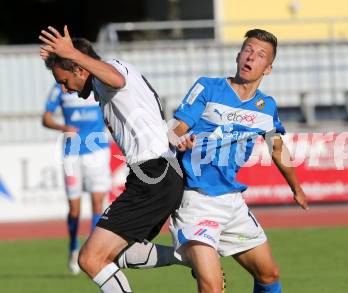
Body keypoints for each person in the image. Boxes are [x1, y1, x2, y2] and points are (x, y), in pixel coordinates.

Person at [118, 28, 309, 293]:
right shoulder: (208, 87)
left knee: (269, 274)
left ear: (268, 68)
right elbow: (176, 128)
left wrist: (296, 189)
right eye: (248, 50)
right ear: (238, 55)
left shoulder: (266, 107)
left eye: (260, 54)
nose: (251, 56)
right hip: (195, 201)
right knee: (212, 287)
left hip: (232, 202)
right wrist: (177, 139)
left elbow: (277, 149)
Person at [39, 26, 184, 292]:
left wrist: (72, 53)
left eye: (64, 80)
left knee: (90, 258)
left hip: (154, 174)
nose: (65, 88)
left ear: (81, 69)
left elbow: (117, 79)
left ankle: (192, 258)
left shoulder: (111, 72)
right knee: (118, 254)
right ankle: (190, 258)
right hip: (152, 176)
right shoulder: (102, 83)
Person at [42, 82, 111, 275]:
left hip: (97, 152)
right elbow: (45, 118)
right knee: (74, 209)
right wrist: (62, 126)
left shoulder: (95, 85)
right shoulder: (60, 88)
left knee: (98, 203)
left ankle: (92, 250)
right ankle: (73, 245)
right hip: (72, 152)